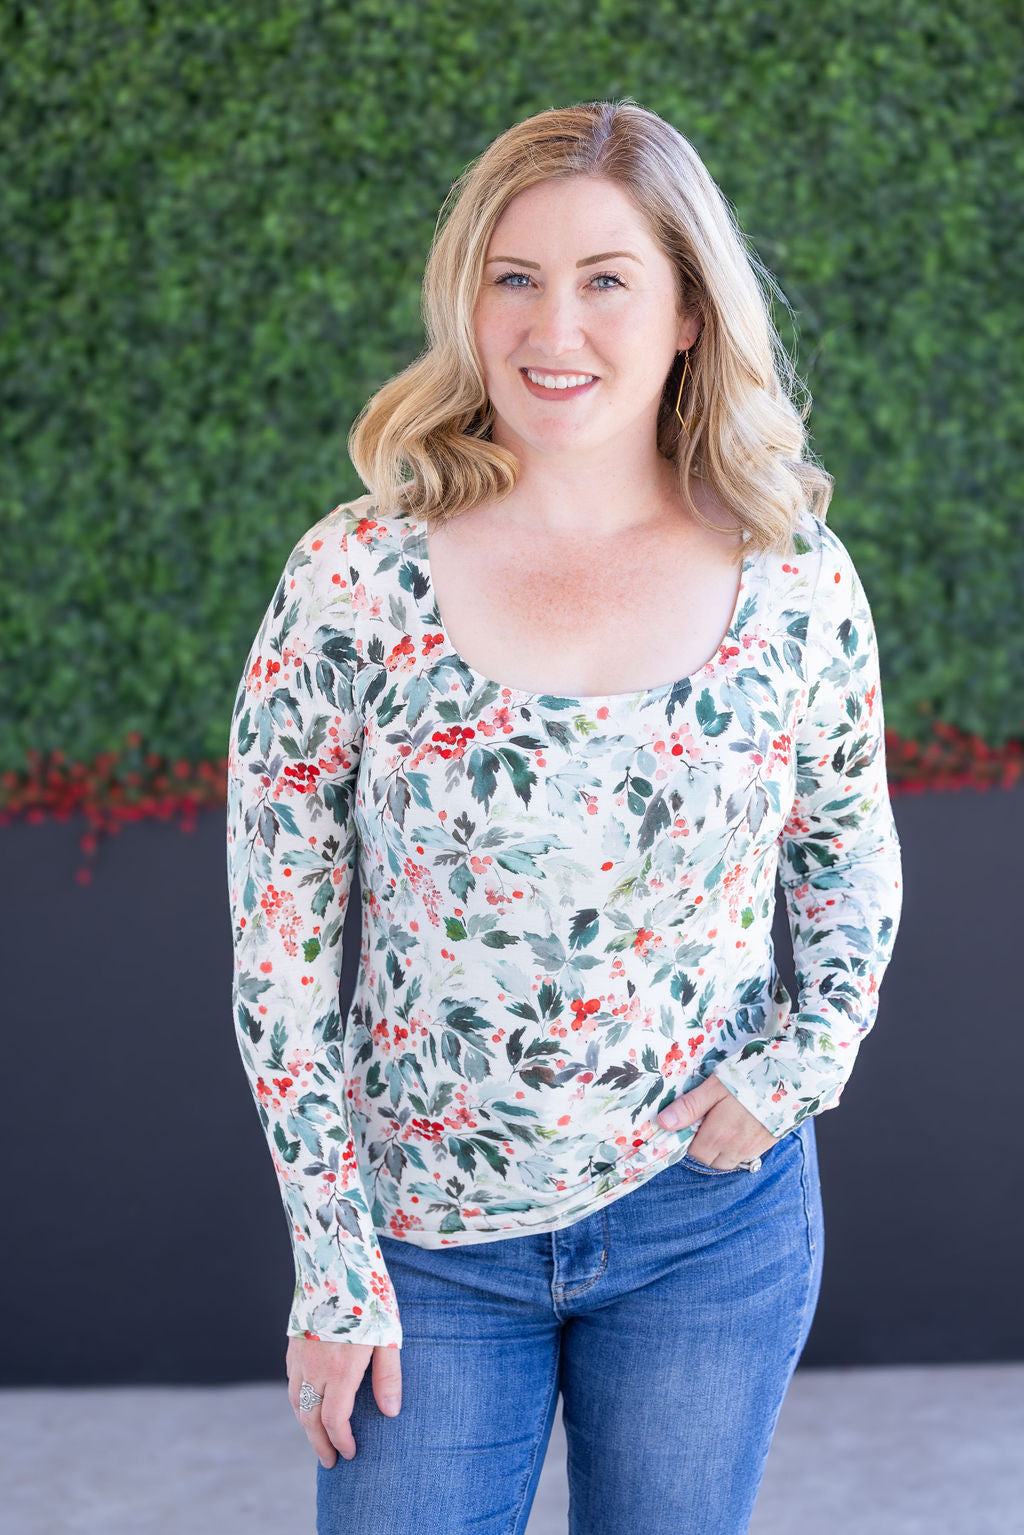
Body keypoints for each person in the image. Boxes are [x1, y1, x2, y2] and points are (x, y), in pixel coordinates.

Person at [226, 98, 903, 1535]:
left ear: (688, 314)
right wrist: (333, 1265)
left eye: (607, 280)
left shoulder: (792, 576)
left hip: (706, 1226)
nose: (555, 328)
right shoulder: (356, 577)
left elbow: (849, 856)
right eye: (515, 278)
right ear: (467, 301)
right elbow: (280, 944)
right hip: (425, 1244)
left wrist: (799, 1068)